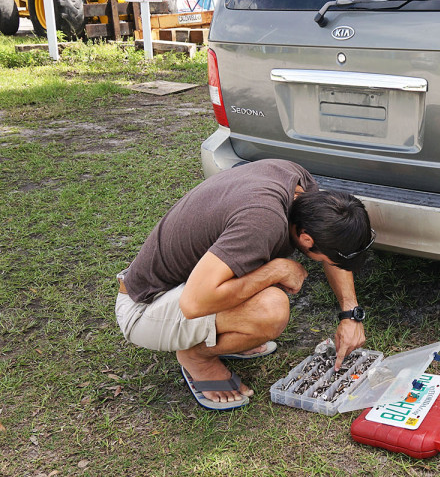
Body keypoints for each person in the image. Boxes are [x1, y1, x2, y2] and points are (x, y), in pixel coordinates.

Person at [114, 159, 374, 410]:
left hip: (183, 283)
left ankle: (219, 335)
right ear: (306, 239)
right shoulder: (262, 222)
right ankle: (197, 356)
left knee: (263, 287)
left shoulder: (299, 185)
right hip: (144, 308)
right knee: (270, 309)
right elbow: (193, 303)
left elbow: (333, 256)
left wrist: (350, 314)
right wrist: (276, 269)